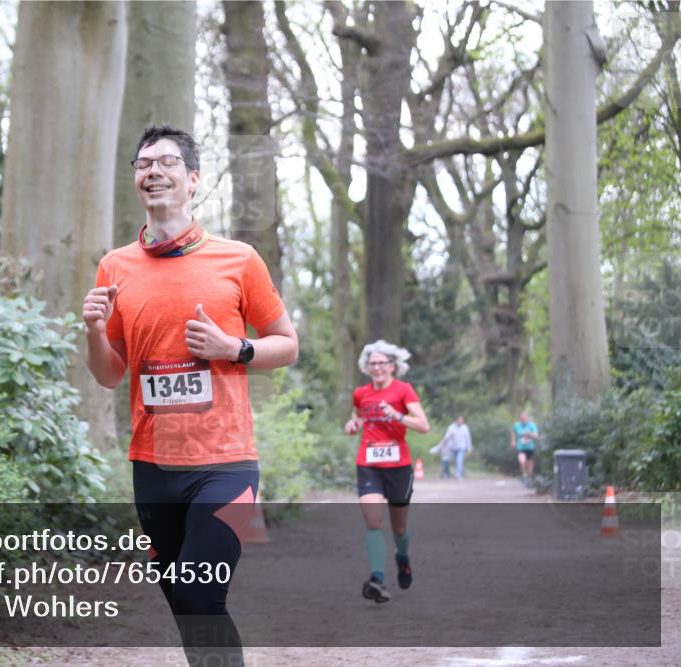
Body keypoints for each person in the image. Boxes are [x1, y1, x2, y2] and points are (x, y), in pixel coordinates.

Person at [83, 124, 298, 666]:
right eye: (142, 164)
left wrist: (235, 347)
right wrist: (91, 329)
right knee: (184, 604)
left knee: (202, 596)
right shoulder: (114, 267)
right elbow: (110, 375)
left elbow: (287, 345)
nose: (152, 171)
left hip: (226, 464)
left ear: (193, 178)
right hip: (153, 466)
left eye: (167, 162)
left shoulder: (238, 260)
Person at [344, 340, 430, 603]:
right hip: (368, 464)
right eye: (372, 363)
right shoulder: (361, 393)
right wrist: (353, 424)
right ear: (367, 367)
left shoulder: (404, 391)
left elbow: (423, 425)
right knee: (373, 523)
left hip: (399, 467)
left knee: (399, 528)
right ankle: (378, 579)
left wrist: (396, 415)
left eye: (382, 363)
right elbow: (358, 415)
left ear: (392, 366)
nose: (377, 367)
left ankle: (403, 559)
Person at [512, 411, 540, 487]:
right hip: (520, 447)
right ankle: (524, 475)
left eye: (524, 418)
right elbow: (514, 433)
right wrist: (513, 441)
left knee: (529, 463)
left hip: (530, 447)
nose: (523, 419)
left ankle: (529, 477)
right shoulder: (517, 425)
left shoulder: (532, 425)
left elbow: (536, 436)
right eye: (522, 418)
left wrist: (529, 434)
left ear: (527, 418)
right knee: (522, 460)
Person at [442, 416, 473, 480]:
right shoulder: (451, 427)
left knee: (459, 461)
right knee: (447, 460)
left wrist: (469, 447)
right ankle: (446, 474)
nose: (460, 422)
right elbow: (447, 436)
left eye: (462, 420)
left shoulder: (465, 428)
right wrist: (444, 445)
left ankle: (458, 475)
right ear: (456, 420)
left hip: (461, 447)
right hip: (452, 447)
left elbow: (468, 438)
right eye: (459, 420)